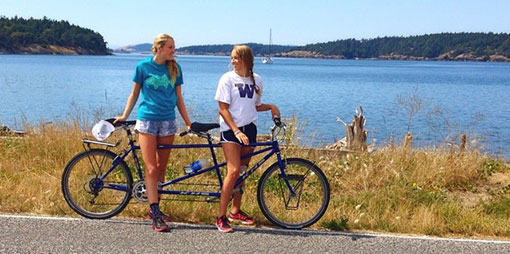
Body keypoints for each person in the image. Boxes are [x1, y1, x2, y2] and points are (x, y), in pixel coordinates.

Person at [114, 33, 191, 232]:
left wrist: (188, 122)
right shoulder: (143, 67)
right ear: (158, 48)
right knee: (151, 169)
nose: (173, 51)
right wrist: (124, 115)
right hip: (147, 120)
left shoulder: (175, 68)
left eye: (174, 47)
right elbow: (134, 93)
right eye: (170, 48)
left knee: (161, 167)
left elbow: (179, 98)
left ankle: (155, 207)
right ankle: (155, 211)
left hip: (168, 122)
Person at [214, 45, 280, 232]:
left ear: (246, 60)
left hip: (249, 129)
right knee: (233, 170)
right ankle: (221, 216)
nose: (233, 61)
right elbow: (223, 109)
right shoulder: (227, 79)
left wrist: (271, 107)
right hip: (230, 131)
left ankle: (236, 210)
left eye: (236, 58)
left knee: (242, 171)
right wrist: (236, 131)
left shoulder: (256, 80)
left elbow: (255, 105)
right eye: (232, 58)